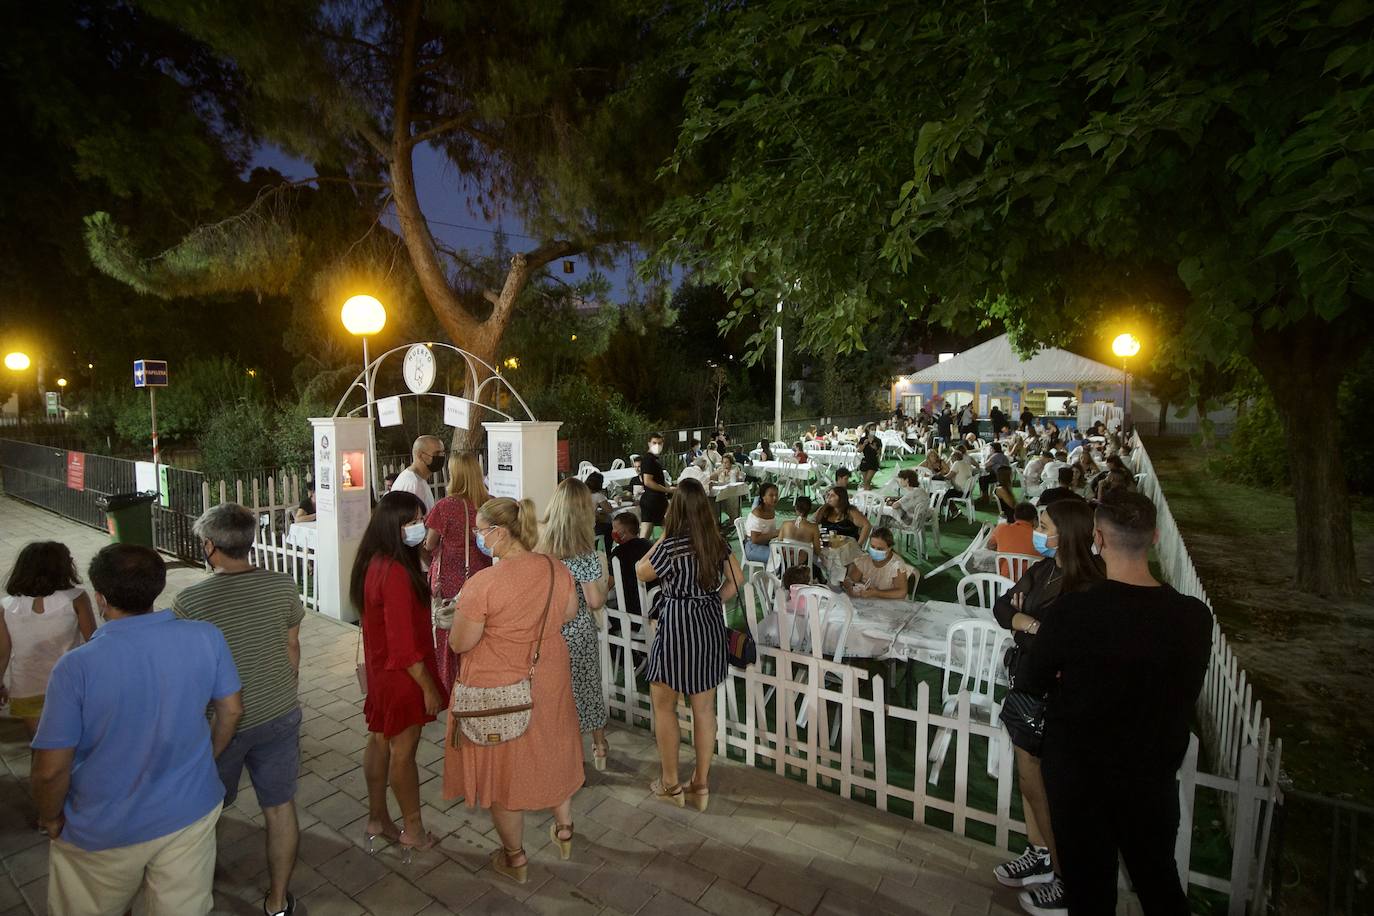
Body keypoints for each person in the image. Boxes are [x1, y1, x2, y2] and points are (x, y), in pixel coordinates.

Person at [1017, 491, 1211, 915]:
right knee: (1159, 882)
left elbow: (1034, 678)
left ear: (1098, 539)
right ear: (1155, 537)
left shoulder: (1076, 610)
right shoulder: (1194, 617)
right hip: (1151, 775)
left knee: (1090, 891)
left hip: (1080, 775)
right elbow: (1183, 688)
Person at [32, 544, 242, 915]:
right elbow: (231, 710)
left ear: (100, 598)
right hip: (190, 809)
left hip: (102, 827)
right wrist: (208, 756)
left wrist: (50, 816)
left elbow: (50, 769)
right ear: (159, 587)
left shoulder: (76, 667)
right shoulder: (205, 637)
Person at [443, 496, 583, 883]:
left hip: (500, 684)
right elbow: (568, 613)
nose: (478, 538)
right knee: (553, 747)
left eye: (480, 531)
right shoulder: (556, 569)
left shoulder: (482, 584)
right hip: (549, 677)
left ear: (500, 534)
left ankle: (515, 858)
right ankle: (565, 828)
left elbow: (460, 643)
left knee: (504, 772)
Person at [176, 504, 304, 916]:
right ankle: (278, 901)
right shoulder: (283, 585)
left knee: (208, 809)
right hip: (279, 711)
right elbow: (291, 647)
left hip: (221, 725)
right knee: (280, 807)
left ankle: (200, 891)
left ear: (210, 546)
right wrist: (284, 685)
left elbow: (188, 671)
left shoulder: (191, 602)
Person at [990, 500, 1104, 903]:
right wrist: (1030, 623)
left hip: (1055, 693)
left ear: (1067, 532)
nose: (1038, 532)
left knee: (1048, 786)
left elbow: (1066, 637)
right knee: (1027, 777)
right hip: (1026, 681)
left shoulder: (1088, 583)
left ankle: (1065, 873)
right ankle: (1039, 853)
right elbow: (1003, 607)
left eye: (1043, 525)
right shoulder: (1043, 569)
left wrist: (1031, 625)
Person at [636, 479, 744, 812]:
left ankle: (670, 783)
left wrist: (663, 537)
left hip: (676, 627)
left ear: (677, 508)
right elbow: (737, 580)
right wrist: (711, 599)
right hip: (709, 623)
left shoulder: (671, 546)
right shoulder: (717, 542)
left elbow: (641, 572)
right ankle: (701, 783)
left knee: (664, 704)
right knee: (703, 709)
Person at [352, 491, 444, 856]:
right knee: (403, 752)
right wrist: (428, 688)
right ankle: (413, 829)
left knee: (380, 741)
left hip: (381, 672)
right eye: (411, 521)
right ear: (393, 526)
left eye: (420, 519)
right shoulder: (394, 574)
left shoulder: (375, 562)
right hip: (402, 676)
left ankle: (378, 819)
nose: (420, 527)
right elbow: (405, 648)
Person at [537, 478, 611, 770]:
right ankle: (599, 745)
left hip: (551, 633)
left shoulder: (542, 553)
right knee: (587, 688)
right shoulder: (586, 556)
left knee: (557, 693)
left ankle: (566, 753)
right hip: (579, 633)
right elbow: (594, 601)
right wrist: (606, 587)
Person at [1, 542, 96, 744]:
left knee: (41, 746)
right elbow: (93, 642)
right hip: (69, 685)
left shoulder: (6, 606)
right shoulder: (76, 598)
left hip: (26, 686)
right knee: (73, 744)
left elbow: (3, 652)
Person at [422, 452, 493, 698]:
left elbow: (430, 544)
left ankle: (452, 687)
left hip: (452, 579)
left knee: (449, 629)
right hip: (483, 576)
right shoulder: (490, 504)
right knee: (482, 629)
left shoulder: (445, 506)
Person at [844, 528, 915, 598]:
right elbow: (851, 580)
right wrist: (850, 587)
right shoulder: (864, 560)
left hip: (888, 602)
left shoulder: (896, 565)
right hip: (867, 601)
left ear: (889, 548)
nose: (875, 551)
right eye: (872, 547)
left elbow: (901, 592)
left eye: (880, 549)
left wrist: (877, 593)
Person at [608, 512, 654, 617]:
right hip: (652, 603)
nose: (613, 531)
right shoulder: (648, 545)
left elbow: (608, 584)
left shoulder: (618, 553)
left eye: (615, 528)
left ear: (624, 532)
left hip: (630, 609)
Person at [391, 435, 446, 514]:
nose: (441, 457)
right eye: (436, 454)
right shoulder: (414, 484)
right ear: (420, 456)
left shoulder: (417, 480)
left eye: (442, 453)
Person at [638, 432, 674, 539]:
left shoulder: (653, 459)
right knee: (668, 530)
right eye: (654, 443)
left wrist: (668, 488)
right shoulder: (649, 460)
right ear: (649, 443)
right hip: (653, 500)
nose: (657, 446)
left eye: (659, 443)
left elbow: (656, 480)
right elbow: (648, 481)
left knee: (648, 533)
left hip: (654, 500)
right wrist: (667, 490)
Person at [988, 502, 1039, 575]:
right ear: (1035, 519)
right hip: (1032, 580)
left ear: (1014, 516)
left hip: (1004, 579)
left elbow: (990, 546)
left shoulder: (1001, 528)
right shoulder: (1040, 537)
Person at [743, 482, 781, 564]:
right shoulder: (758, 513)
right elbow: (755, 539)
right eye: (771, 495)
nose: (775, 498)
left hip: (767, 543)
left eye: (776, 495)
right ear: (763, 497)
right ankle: (773, 576)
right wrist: (776, 533)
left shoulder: (771, 509)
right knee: (779, 557)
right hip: (752, 547)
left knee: (788, 552)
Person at [857, 424, 882, 489]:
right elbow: (859, 450)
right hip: (865, 461)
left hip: (873, 462)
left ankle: (866, 494)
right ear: (868, 429)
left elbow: (879, 453)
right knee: (865, 482)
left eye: (874, 430)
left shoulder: (877, 440)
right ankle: (867, 494)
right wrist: (864, 444)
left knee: (867, 480)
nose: (873, 431)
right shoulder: (863, 439)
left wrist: (875, 448)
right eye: (872, 429)